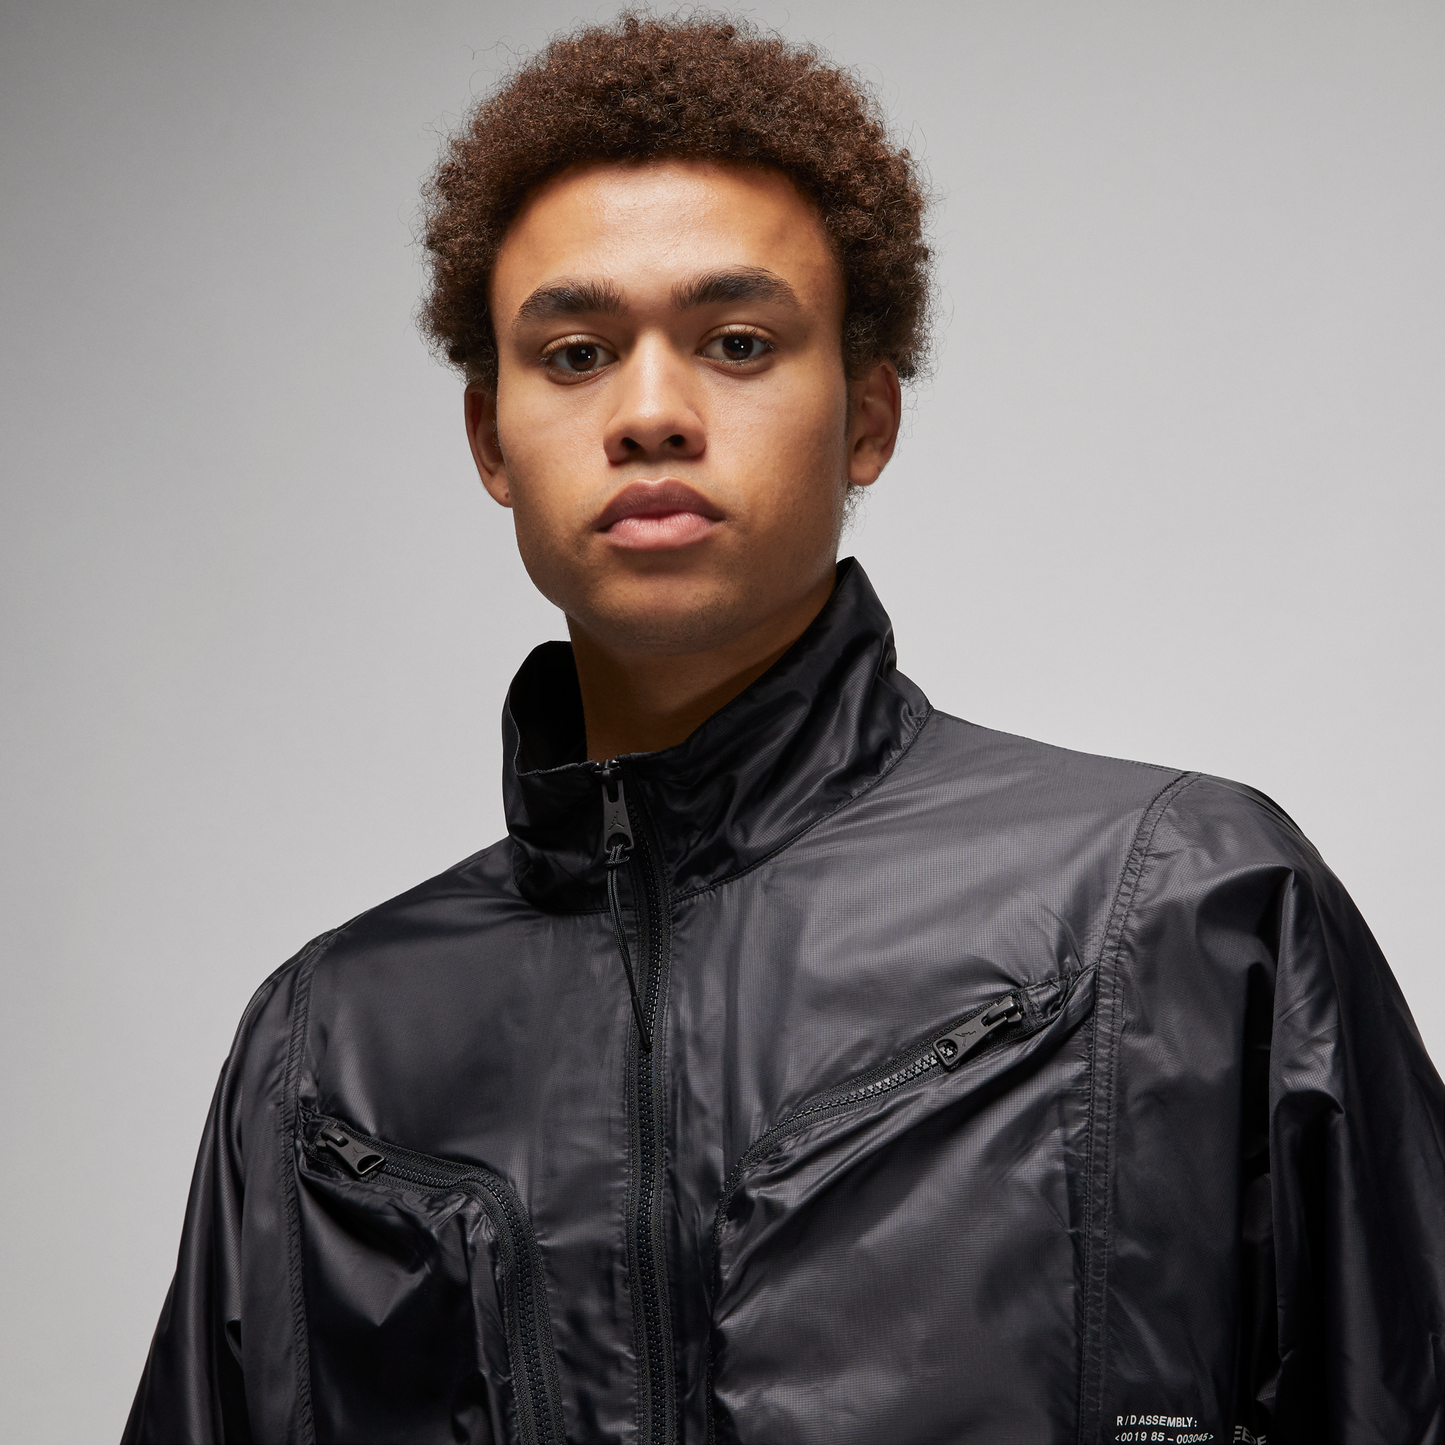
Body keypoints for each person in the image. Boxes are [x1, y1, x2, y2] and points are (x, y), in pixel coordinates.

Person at [124, 14, 1444, 1444]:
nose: (651, 413)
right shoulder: (328, 1052)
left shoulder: (1184, 912)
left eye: (738, 342)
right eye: (575, 353)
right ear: (492, 439)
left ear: (867, 419)